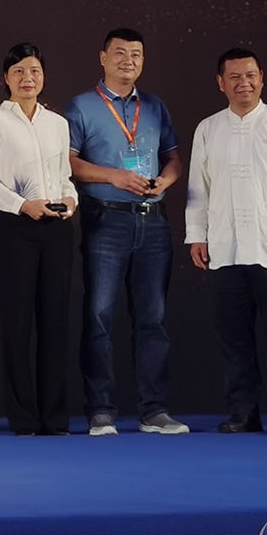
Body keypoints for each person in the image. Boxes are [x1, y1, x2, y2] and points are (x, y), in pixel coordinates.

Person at [64, 27, 187, 435]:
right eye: (119, 52)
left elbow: (173, 159)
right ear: (103, 57)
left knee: (153, 318)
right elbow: (69, 163)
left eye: (136, 53)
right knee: (99, 316)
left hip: (153, 220)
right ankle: (101, 409)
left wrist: (166, 181)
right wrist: (114, 176)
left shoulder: (154, 106)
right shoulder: (82, 106)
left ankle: (154, 410)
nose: (128, 60)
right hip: (106, 220)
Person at [0, 43, 78, 436]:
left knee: (55, 322)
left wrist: (71, 199)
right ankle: (23, 417)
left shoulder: (58, 123)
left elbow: (64, 176)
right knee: (18, 323)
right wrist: (22, 206)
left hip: (57, 227)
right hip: (15, 227)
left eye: (34, 71)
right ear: (6, 78)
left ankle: (55, 417)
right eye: (18, 71)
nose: (27, 78)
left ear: (43, 76)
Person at [185, 48, 267, 435]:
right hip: (225, 247)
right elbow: (198, 188)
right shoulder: (209, 129)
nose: (244, 83)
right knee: (233, 335)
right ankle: (244, 411)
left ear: (262, 77)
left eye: (250, 75)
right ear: (220, 83)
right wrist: (197, 235)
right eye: (235, 77)